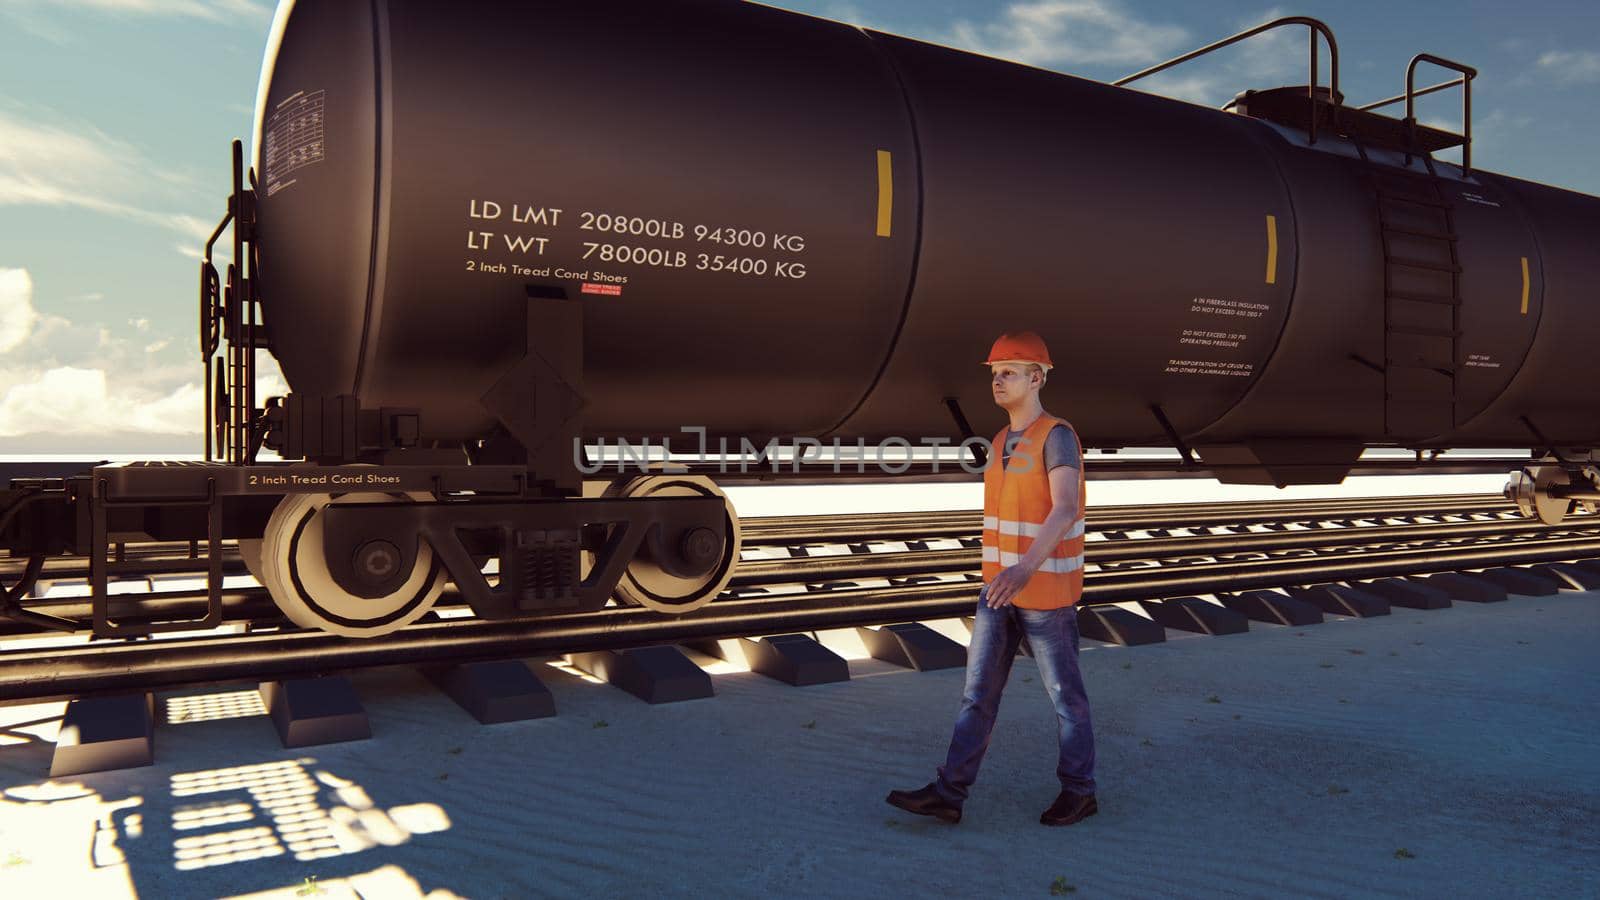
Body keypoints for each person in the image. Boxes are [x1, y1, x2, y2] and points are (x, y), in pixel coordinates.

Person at [886, 330, 1097, 827]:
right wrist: (1005, 575)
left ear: (1037, 377)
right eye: (995, 373)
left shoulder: (1057, 435)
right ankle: (949, 793)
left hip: (1044, 592)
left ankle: (1081, 791)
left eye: (1009, 372)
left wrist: (1026, 567)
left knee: (1066, 698)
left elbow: (1065, 508)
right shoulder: (1001, 439)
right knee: (977, 694)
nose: (998, 381)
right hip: (999, 591)